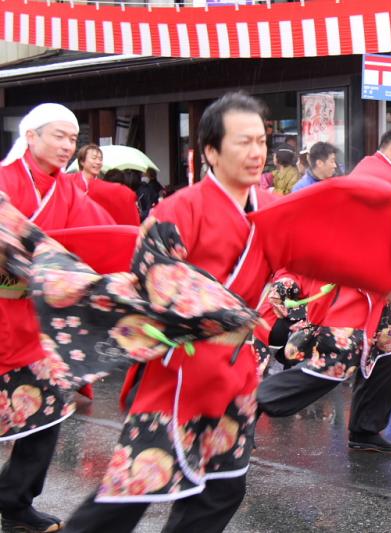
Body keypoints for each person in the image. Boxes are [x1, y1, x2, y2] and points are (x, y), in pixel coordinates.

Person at [62, 92, 278, 533]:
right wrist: (229, 314)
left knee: (223, 488)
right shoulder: (181, 207)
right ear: (211, 151)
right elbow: (154, 274)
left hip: (235, 372)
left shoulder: (272, 210)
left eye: (261, 141)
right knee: (137, 486)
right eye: (243, 142)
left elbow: (309, 251)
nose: (256, 152)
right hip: (179, 369)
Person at [260, 122, 391, 454]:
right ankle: (250, 402)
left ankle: (365, 431)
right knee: (335, 362)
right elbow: (350, 247)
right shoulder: (374, 182)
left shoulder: (382, 180)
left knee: (389, 351)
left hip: (366, 293)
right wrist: (387, 279)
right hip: (347, 292)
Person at [0, 103, 114, 533]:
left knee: (48, 410)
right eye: (59, 136)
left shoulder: (67, 191)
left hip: (35, 321)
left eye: (73, 138)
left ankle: (15, 502)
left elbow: (99, 236)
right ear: (30, 136)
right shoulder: (4, 179)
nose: (68, 145)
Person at [70, 144, 140, 225]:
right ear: (82, 161)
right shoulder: (70, 181)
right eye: (94, 158)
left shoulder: (104, 186)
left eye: (100, 159)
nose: (98, 162)